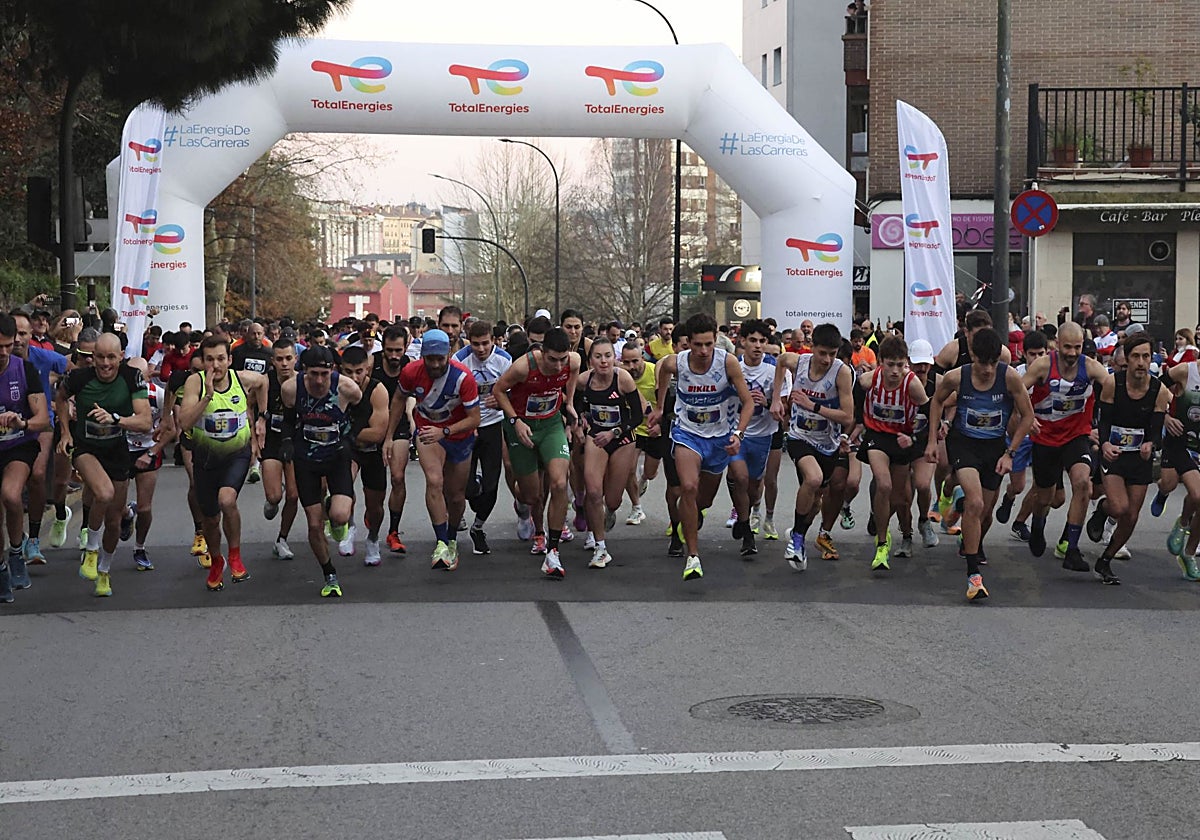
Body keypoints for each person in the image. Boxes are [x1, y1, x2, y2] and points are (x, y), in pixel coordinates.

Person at [926, 327, 1034, 600]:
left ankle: (966, 527)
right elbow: (936, 401)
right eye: (982, 362)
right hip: (964, 443)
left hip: (995, 447)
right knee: (975, 502)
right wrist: (932, 438)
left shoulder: (1009, 377)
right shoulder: (956, 377)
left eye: (992, 362)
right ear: (972, 355)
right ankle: (974, 576)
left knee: (984, 510)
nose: (987, 369)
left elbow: (1027, 416)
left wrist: (1010, 452)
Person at [648, 313, 754, 582]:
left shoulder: (727, 362)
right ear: (688, 342)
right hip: (687, 434)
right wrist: (660, 407)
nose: (704, 351)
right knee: (688, 488)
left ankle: (693, 516)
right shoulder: (677, 363)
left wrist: (738, 434)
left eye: (709, 344)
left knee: (702, 500)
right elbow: (663, 372)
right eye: (697, 345)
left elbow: (749, 402)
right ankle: (692, 556)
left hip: (719, 438)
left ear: (716, 340)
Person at [55, 333, 151, 598]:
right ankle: (91, 550)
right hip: (86, 448)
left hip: (117, 450)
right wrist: (65, 432)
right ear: (92, 358)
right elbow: (60, 399)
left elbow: (144, 421)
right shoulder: (79, 378)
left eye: (111, 357)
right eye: (100, 357)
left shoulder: (131, 378)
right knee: (103, 493)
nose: (105, 363)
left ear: (121, 357)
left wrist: (115, 418)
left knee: (113, 519)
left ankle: (105, 571)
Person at [175, 336, 267, 591]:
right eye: (209, 359)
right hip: (205, 457)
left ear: (229, 359)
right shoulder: (195, 383)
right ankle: (217, 560)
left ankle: (235, 555)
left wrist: (262, 417)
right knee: (211, 519)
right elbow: (185, 423)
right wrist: (207, 396)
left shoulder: (241, 378)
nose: (215, 365)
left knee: (227, 500)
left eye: (220, 358)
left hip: (236, 454)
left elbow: (263, 382)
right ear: (202, 361)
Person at [385, 329, 480, 570]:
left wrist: (446, 431)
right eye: (430, 359)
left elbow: (475, 419)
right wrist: (388, 436)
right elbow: (398, 400)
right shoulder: (411, 372)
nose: (436, 364)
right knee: (434, 481)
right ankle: (441, 542)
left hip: (459, 434)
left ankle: (452, 537)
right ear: (423, 356)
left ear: (448, 354)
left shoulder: (463, 377)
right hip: (428, 431)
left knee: (456, 495)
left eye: (440, 358)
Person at [492, 327, 580, 578]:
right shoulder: (523, 366)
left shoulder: (573, 360)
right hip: (523, 429)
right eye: (552, 359)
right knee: (533, 495)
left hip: (551, 425)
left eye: (562, 359)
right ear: (542, 353)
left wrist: (569, 402)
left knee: (559, 482)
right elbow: (499, 391)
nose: (558, 365)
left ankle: (552, 551)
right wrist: (514, 421)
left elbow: (573, 372)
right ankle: (525, 506)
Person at [1022, 321, 1109, 570]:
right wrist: (1028, 419)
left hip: (1076, 436)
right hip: (1045, 439)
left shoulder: (1091, 367)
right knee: (1046, 497)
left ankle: (1071, 548)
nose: (1072, 353)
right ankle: (1037, 525)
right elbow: (1017, 390)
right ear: (1057, 344)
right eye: (1067, 347)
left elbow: (1114, 388)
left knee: (1083, 483)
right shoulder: (1043, 366)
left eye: (1077, 347)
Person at [770, 323, 854, 571]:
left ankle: (799, 535)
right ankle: (796, 540)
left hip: (827, 442)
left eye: (833, 354)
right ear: (812, 348)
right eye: (822, 353)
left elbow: (847, 417)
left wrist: (813, 405)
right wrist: (777, 398)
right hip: (799, 436)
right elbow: (782, 360)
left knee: (816, 499)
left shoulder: (842, 373)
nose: (827, 359)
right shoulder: (800, 362)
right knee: (813, 479)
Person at [1084, 334, 1168, 584]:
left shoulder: (1158, 390)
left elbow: (1157, 429)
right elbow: (1105, 420)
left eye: (1145, 356)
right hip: (1115, 454)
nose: (1141, 362)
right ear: (1127, 359)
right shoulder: (1113, 383)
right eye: (1136, 357)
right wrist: (1106, 442)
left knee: (1131, 515)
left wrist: (1151, 444)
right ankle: (1102, 510)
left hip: (1139, 458)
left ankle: (1105, 560)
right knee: (1119, 508)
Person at [281, 345, 362, 597]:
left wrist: (351, 439)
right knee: (314, 525)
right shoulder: (291, 388)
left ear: (332, 371)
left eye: (324, 374)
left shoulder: (347, 388)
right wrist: (286, 441)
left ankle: (333, 508)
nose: (318, 380)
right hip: (306, 460)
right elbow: (288, 419)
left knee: (339, 516)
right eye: (313, 373)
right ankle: (329, 574)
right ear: (304, 370)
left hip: (337, 457)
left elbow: (360, 413)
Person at [855, 336, 930, 569]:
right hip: (877, 437)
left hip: (902, 440)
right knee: (883, 484)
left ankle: (906, 535)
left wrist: (914, 438)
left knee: (901, 499)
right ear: (880, 362)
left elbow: (930, 416)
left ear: (906, 363)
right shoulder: (868, 380)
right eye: (890, 365)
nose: (895, 371)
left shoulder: (913, 383)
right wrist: (857, 426)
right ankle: (881, 543)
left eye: (900, 365)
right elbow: (854, 402)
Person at [574, 337, 643, 568]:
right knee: (593, 492)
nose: (603, 361)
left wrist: (614, 432)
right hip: (596, 437)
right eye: (598, 356)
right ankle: (600, 547)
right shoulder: (584, 380)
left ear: (614, 359)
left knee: (612, 500)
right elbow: (576, 404)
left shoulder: (622, 379)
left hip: (622, 440)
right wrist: (581, 420)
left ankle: (609, 512)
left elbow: (637, 416)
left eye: (608, 356)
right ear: (590, 360)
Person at [9, 309, 68, 565]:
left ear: (31, 334)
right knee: (10, 489)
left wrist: (68, 399)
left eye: (23, 333)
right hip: (9, 428)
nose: (17, 340)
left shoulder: (42, 357)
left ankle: (33, 540)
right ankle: (15, 538)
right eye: (13, 334)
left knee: (38, 474)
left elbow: (74, 365)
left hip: (41, 424)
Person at [0, 314, 50, 602]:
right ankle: (2, 569)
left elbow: (42, 419)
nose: (4, 352)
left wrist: (21, 423)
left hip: (19, 444)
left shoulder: (25, 369)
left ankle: (17, 552)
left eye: (9, 345)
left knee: (10, 493)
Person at [453, 320, 512, 555]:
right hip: (467, 426)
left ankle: (478, 528)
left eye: (485, 343)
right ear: (469, 340)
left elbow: (514, 392)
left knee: (491, 485)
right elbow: (452, 396)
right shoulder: (459, 361)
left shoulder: (504, 361)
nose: (480, 349)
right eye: (476, 344)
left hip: (492, 425)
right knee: (467, 488)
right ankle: (472, 488)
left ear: (493, 340)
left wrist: (501, 401)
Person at [727, 319, 779, 558]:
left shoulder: (773, 371)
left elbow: (783, 408)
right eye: (753, 341)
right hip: (737, 432)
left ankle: (747, 511)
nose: (758, 346)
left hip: (763, 434)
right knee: (740, 475)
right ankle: (747, 530)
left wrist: (767, 402)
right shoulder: (732, 368)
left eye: (762, 341)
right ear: (743, 342)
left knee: (755, 485)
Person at [119, 356, 171, 571]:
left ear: (148, 375)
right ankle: (126, 514)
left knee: (145, 506)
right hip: (121, 449)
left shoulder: (157, 395)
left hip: (147, 449)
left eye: (139, 376)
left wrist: (152, 452)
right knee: (114, 506)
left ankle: (139, 548)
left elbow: (172, 429)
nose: (135, 380)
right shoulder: (117, 393)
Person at [340, 346, 391, 565]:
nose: (354, 377)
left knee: (375, 505)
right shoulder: (337, 387)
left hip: (373, 452)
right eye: (348, 372)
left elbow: (377, 433)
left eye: (359, 371)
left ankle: (373, 538)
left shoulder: (377, 390)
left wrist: (346, 429)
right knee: (343, 486)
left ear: (367, 369)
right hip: (349, 449)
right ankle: (349, 526)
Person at [373, 325, 413, 555]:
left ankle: (393, 531)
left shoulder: (410, 366)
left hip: (399, 426)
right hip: (374, 426)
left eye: (399, 350)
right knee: (375, 487)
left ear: (406, 346)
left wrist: (413, 417)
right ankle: (372, 515)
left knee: (397, 478)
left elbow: (413, 397)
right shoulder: (372, 364)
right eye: (390, 350)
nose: (394, 355)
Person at [259, 338, 301, 560]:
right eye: (279, 359)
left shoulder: (303, 382)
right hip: (272, 441)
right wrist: (258, 423)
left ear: (295, 359)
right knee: (275, 496)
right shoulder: (265, 382)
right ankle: (274, 495)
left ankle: (281, 539)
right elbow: (249, 405)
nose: (284, 363)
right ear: (272, 361)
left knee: (293, 496)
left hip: (294, 441)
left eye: (288, 358)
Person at [621, 340, 658, 525]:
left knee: (651, 473)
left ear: (642, 357)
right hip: (632, 428)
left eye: (635, 361)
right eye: (626, 362)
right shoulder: (619, 375)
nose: (631, 367)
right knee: (628, 470)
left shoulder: (655, 371)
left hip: (653, 429)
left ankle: (644, 478)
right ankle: (637, 508)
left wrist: (659, 423)